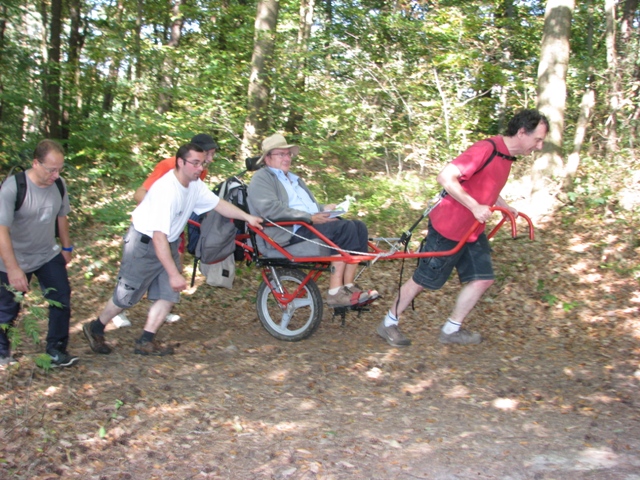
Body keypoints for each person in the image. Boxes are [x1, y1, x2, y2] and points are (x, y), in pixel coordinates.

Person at [376, 109, 549, 347]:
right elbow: (446, 177)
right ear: (521, 132)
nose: (539, 146)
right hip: (448, 227)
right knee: (423, 280)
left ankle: (451, 329)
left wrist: (504, 206)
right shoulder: (487, 149)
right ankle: (388, 323)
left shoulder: (506, 157)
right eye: (537, 139)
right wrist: (475, 206)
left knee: (483, 278)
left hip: (472, 230)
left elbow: (488, 185)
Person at [82, 143, 263, 356]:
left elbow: (218, 204)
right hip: (144, 243)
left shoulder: (194, 185)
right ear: (180, 162)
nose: (199, 168)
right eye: (195, 163)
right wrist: (173, 273)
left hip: (168, 242)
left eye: (202, 163)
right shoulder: (166, 190)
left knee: (169, 294)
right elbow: (158, 237)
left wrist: (248, 217)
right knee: (126, 297)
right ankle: (95, 327)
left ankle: (145, 341)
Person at [247, 134, 378, 308]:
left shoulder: (293, 178)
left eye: (288, 154)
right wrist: (309, 218)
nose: (287, 158)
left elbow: (306, 206)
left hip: (305, 224)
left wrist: (324, 209)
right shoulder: (262, 178)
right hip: (287, 231)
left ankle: (348, 287)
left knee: (358, 227)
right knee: (344, 229)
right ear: (267, 158)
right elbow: (270, 208)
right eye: (281, 154)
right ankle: (335, 293)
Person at [112, 133, 219, 328]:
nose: (210, 160)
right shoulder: (169, 166)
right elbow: (141, 193)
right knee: (136, 277)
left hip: (174, 230)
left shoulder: (199, 171)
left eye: (211, 156)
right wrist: (161, 214)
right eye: (208, 154)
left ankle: (160, 308)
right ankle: (118, 310)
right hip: (150, 230)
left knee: (171, 267)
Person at [0, 140, 78, 367]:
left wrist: (66, 247)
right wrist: (13, 268)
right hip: (14, 257)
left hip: (46, 253)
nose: (56, 174)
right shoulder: (13, 188)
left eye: (60, 169)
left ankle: (56, 350)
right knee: (7, 308)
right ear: (36, 163)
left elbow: (62, 216)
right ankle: (2, 353)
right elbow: (2, 230)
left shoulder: (59, 185)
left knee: (61, 298)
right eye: (51, 169)